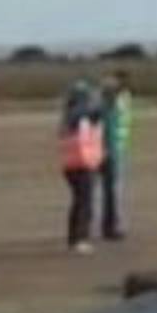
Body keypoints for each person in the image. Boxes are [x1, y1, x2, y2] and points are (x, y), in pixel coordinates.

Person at [59, 80, 106, 254]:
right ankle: (80, 238)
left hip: (74, 163)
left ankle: (75, 237)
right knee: (84, 202)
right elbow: (96, 113)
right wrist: (100, 97)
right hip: (82, 163)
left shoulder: (68, 114)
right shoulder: (78, 114)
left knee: (79, 202)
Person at [99, 70, 134, 241]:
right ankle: (112, 226)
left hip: (113, 148)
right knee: (113, 190)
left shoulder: (117, 100)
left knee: (110, 190)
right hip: (111, 150)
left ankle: (109, 225)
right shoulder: (112, 103)